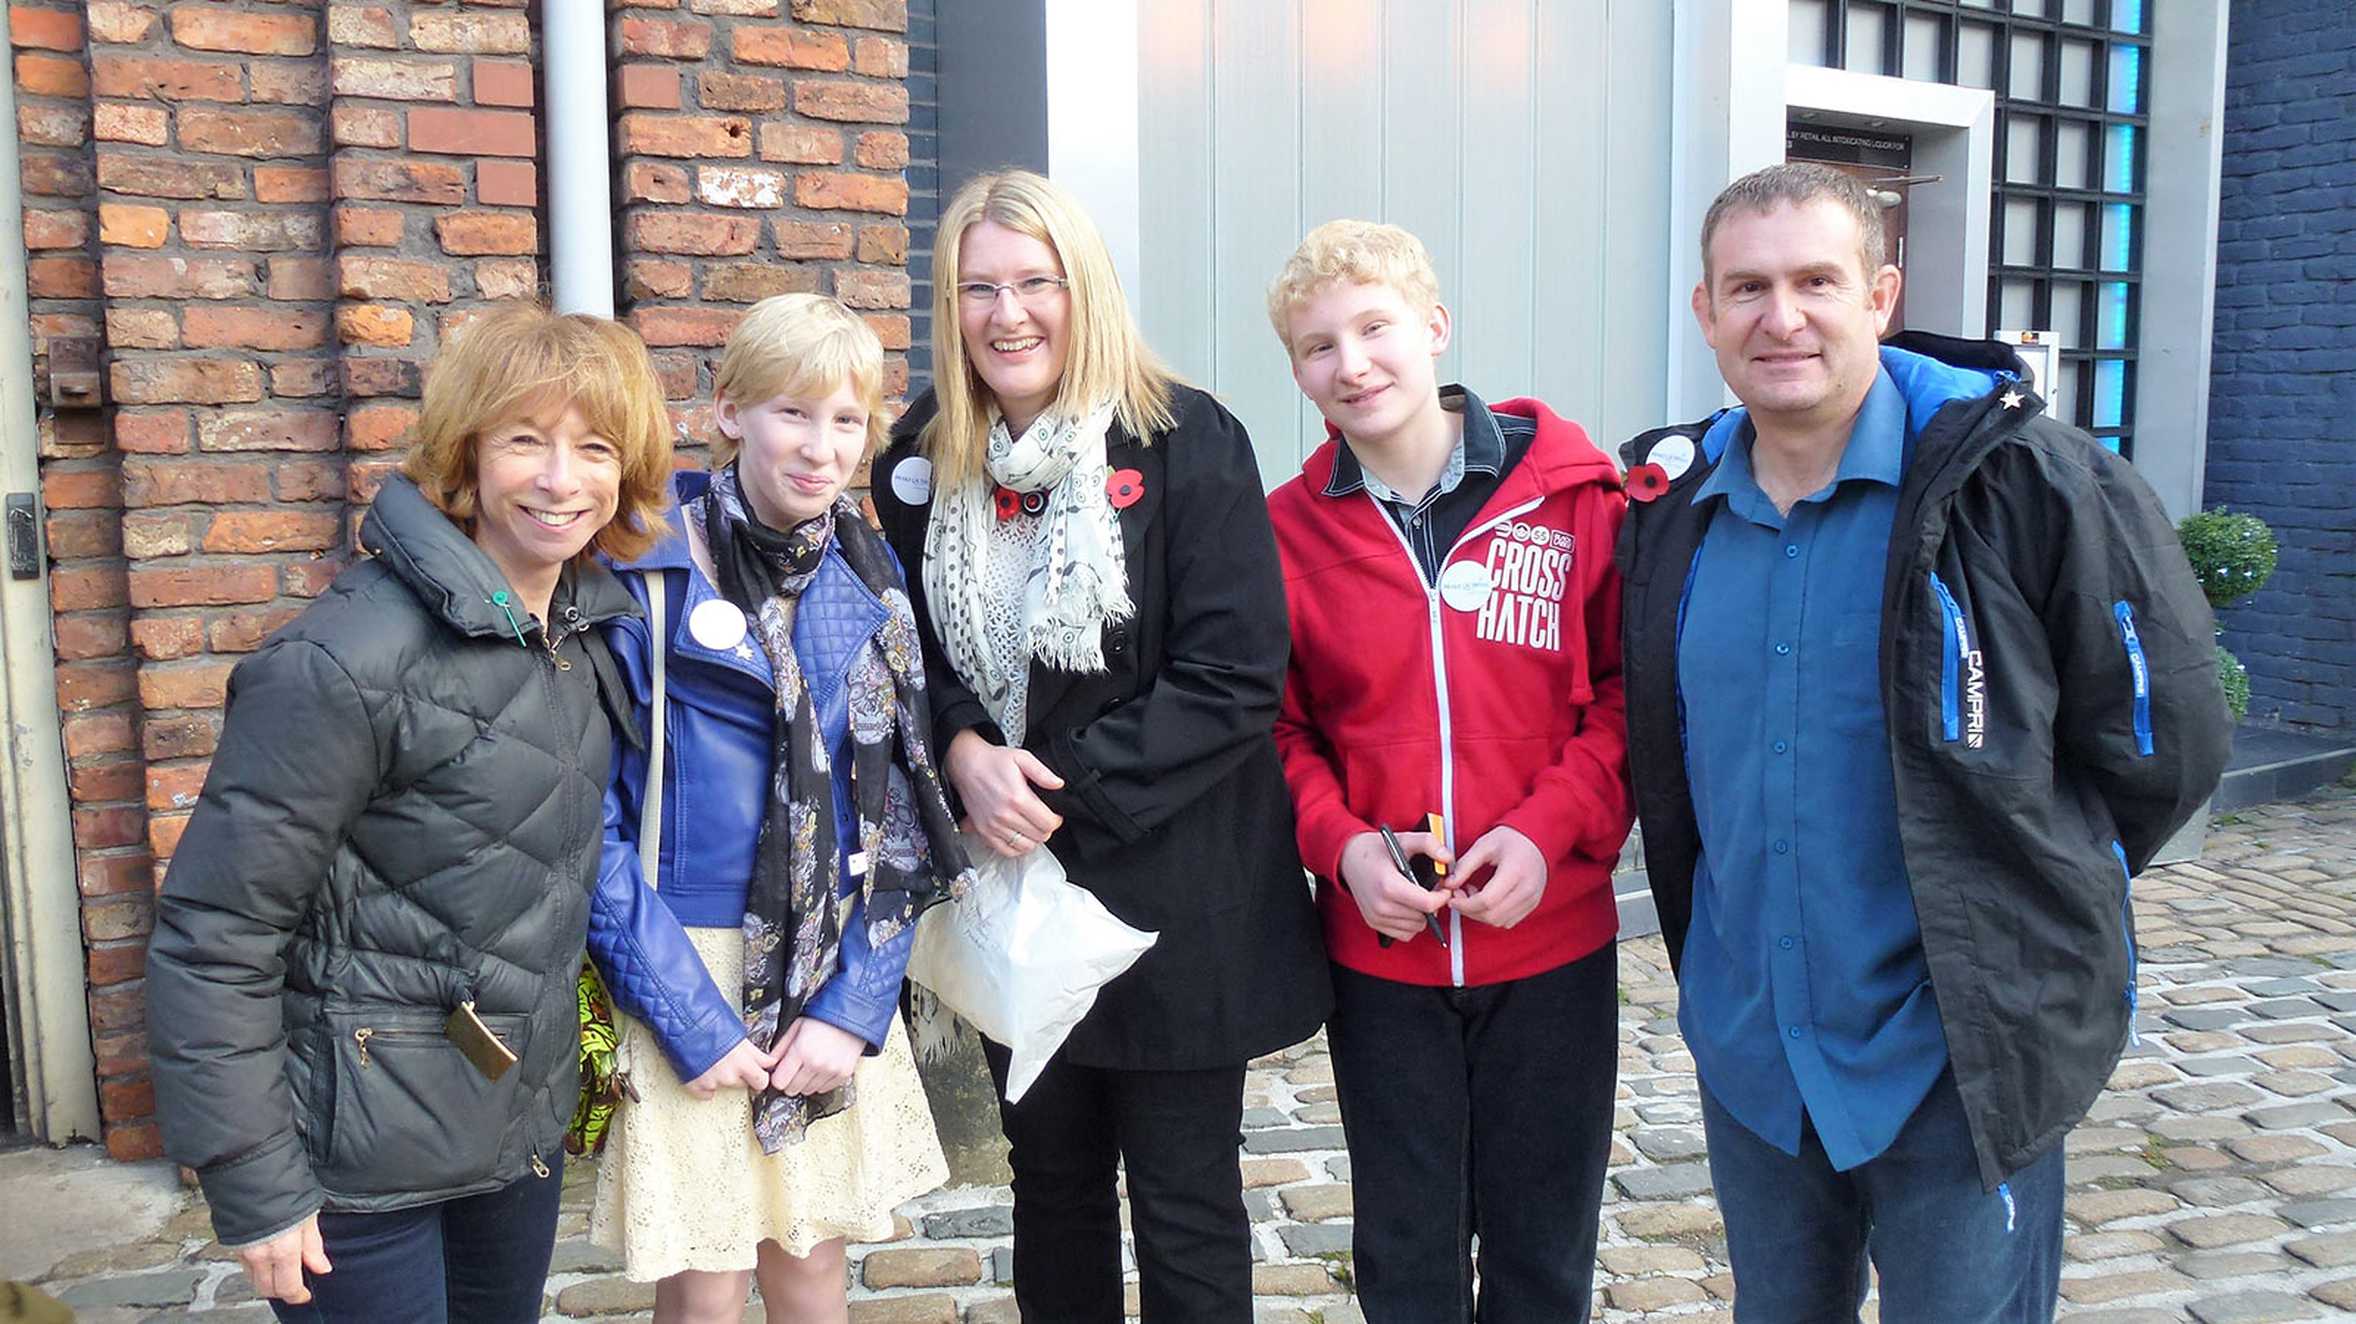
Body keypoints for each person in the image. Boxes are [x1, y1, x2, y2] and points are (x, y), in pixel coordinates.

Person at [1616, 161, 2232, 1322]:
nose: (1780, 317)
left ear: (1881, 294)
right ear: (1704, 310)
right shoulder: (1668, 511)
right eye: (1745, 287)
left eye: (1815, 279)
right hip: (1754, 1040)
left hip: (1959, 1049)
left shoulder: (2022, 480)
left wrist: (2032, 895)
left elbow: (2166, 741)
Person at [146, 304, 676, 1322]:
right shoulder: (342, 661)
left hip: (508, 1129)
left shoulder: (584, 634)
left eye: (594, 447)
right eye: (526, 439)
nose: (561, 479)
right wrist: (254, 1183)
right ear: (467, 456)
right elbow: (218, 932)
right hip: (359, 1156)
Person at [870, 168, 1329, 1320]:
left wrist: (1050, 785)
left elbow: (1231, 678)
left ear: (1085, 291)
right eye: (979, 288)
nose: (1007, 313)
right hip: (1007, 890)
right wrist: (965, 751)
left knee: (1184, 1201)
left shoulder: (1186, 440)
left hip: (1169, 901)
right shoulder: (921, 464)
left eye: (1036, 282)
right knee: (1052, 1187)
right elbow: (902, 658)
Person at [1262, 219, 1631, 1322]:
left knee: (1541, 1245)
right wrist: (1340, 847)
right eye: (1318, 346)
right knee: (1407, 1250)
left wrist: (1546, 828)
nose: (1353, 364)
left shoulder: (1576, 499)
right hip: (1383, 956)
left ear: (1433, 328)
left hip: (1553, 940)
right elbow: (1278, 733)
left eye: (1375, 328)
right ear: (1297, 372)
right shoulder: (1282, 534)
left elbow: (1625, 696)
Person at [584, 293, 967, 1324]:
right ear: (729, 412)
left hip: (827, 958)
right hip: (689, 954)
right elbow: (594, 826)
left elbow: (896, 831)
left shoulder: (874, 586)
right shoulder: (644, 575)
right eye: (794, 413)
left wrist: (852, 1010)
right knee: (703, 1280)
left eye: (847, 421)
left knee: (809, 1271)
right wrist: (687, 1020)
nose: (821, 447)